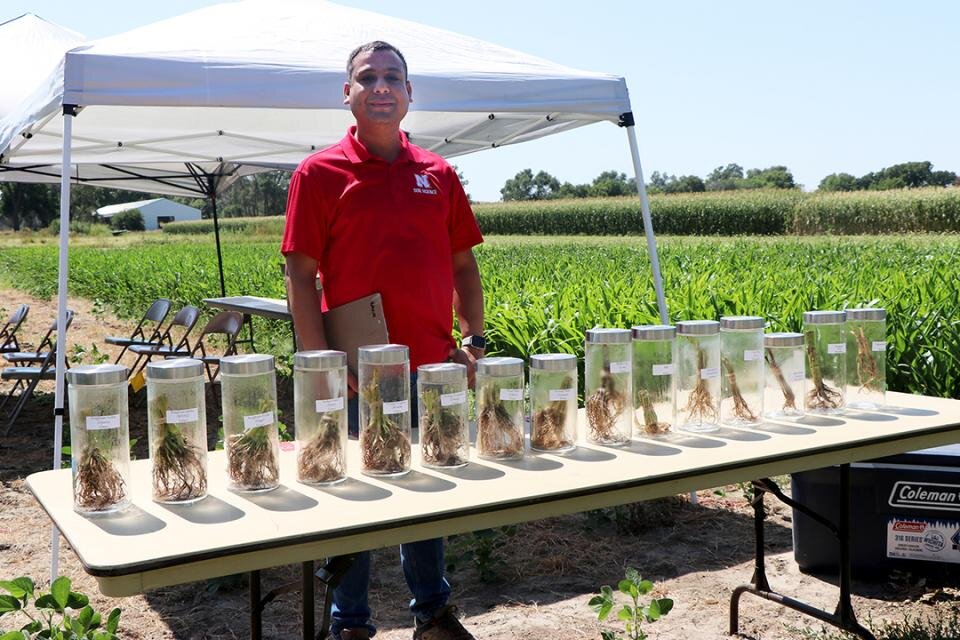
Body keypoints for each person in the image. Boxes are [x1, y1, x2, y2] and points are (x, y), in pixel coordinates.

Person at [281, 41, 484, 640]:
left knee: (427, 490)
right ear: (347, 93)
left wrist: (475, 338)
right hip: (353, 372)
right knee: (353, 492)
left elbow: (464, 266)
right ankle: (350, 624)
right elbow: (300, 274)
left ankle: (434, 614)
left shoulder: (437, 174)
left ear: (409, 93)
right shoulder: (319, 173)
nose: (381, 87)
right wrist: (319, 362)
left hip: (431, 369)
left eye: (392, 77)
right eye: (366, 78)